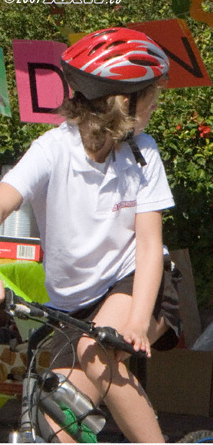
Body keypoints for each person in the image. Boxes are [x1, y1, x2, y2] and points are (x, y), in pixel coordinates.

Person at [0, 27, 179, 442]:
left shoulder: (143, 152)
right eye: (150, 96)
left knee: (98, 354)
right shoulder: (53, 150)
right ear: (123, 102)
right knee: (51, 426)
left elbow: (150, 246)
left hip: (136, 284)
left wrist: (136, 319)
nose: (154, 105)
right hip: (73, 309)